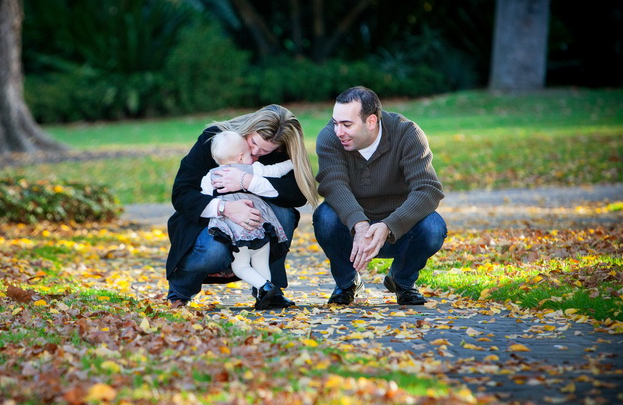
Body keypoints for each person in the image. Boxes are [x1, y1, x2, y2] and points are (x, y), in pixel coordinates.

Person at [166, 104, 318, 309]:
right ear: (249, 128)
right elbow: (182, 192)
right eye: (253, 143)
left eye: (264, 151)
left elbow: (297, 194)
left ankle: (269, 290)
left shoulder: (278, 151)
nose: (254, 152)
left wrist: (247, 181)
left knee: (285, 214)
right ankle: (180, 290)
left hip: (255, 225)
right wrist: (225, 208)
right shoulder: (216, 139)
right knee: (214, 252)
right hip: (211, 222)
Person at [313, 86, 447, 305]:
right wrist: (359, 223)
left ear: (371, 121)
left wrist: (389, 225)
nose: (338, 131)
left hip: (400, 224)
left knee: (433, 228)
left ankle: (402, 280)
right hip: (351, 225)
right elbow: (333, 185)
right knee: (324, 218)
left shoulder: (407, 133)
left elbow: (428, 189)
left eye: (347, 124)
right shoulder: (330, 137)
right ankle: (347, 283)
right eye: (336, 122)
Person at [201, 131, 294, 309]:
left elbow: (203, 200)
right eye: (250, 154)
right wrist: (292, 162)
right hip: (259, 224)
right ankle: (265, 292)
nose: (254, 156)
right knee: (261, 261)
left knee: (240, 265)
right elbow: (276, 171)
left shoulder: (210, 177)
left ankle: (265, 288)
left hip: (237, 230)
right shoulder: (254, 169)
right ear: (241, 157)